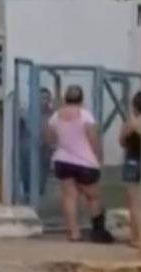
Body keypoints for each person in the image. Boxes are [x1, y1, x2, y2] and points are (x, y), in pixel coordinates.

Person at [45, 85, 113, 243]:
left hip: (62, 160)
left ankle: (74, 233)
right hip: (85, 163)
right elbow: (93, 138)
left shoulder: (56, 115)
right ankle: (98, 232)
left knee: (69, 197)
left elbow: (49, 137)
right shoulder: (85, 115)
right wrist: (99, 158)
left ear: (65, 98)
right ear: (82, 99)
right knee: (94, 197)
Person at [18, 87, 55, 203]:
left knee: (41, 181)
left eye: (47, 98)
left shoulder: (52, 115)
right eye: (42, 97)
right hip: (27, 152)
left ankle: (36, 203)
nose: (44, 100)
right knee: (27, 179)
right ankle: (28, 200)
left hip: (44, 153)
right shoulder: (26, 113)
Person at [119, 91, 141, 246]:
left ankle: (136, 237)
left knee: (134, 202)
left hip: (133, 161)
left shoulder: (131, 123)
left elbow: (122, 142)